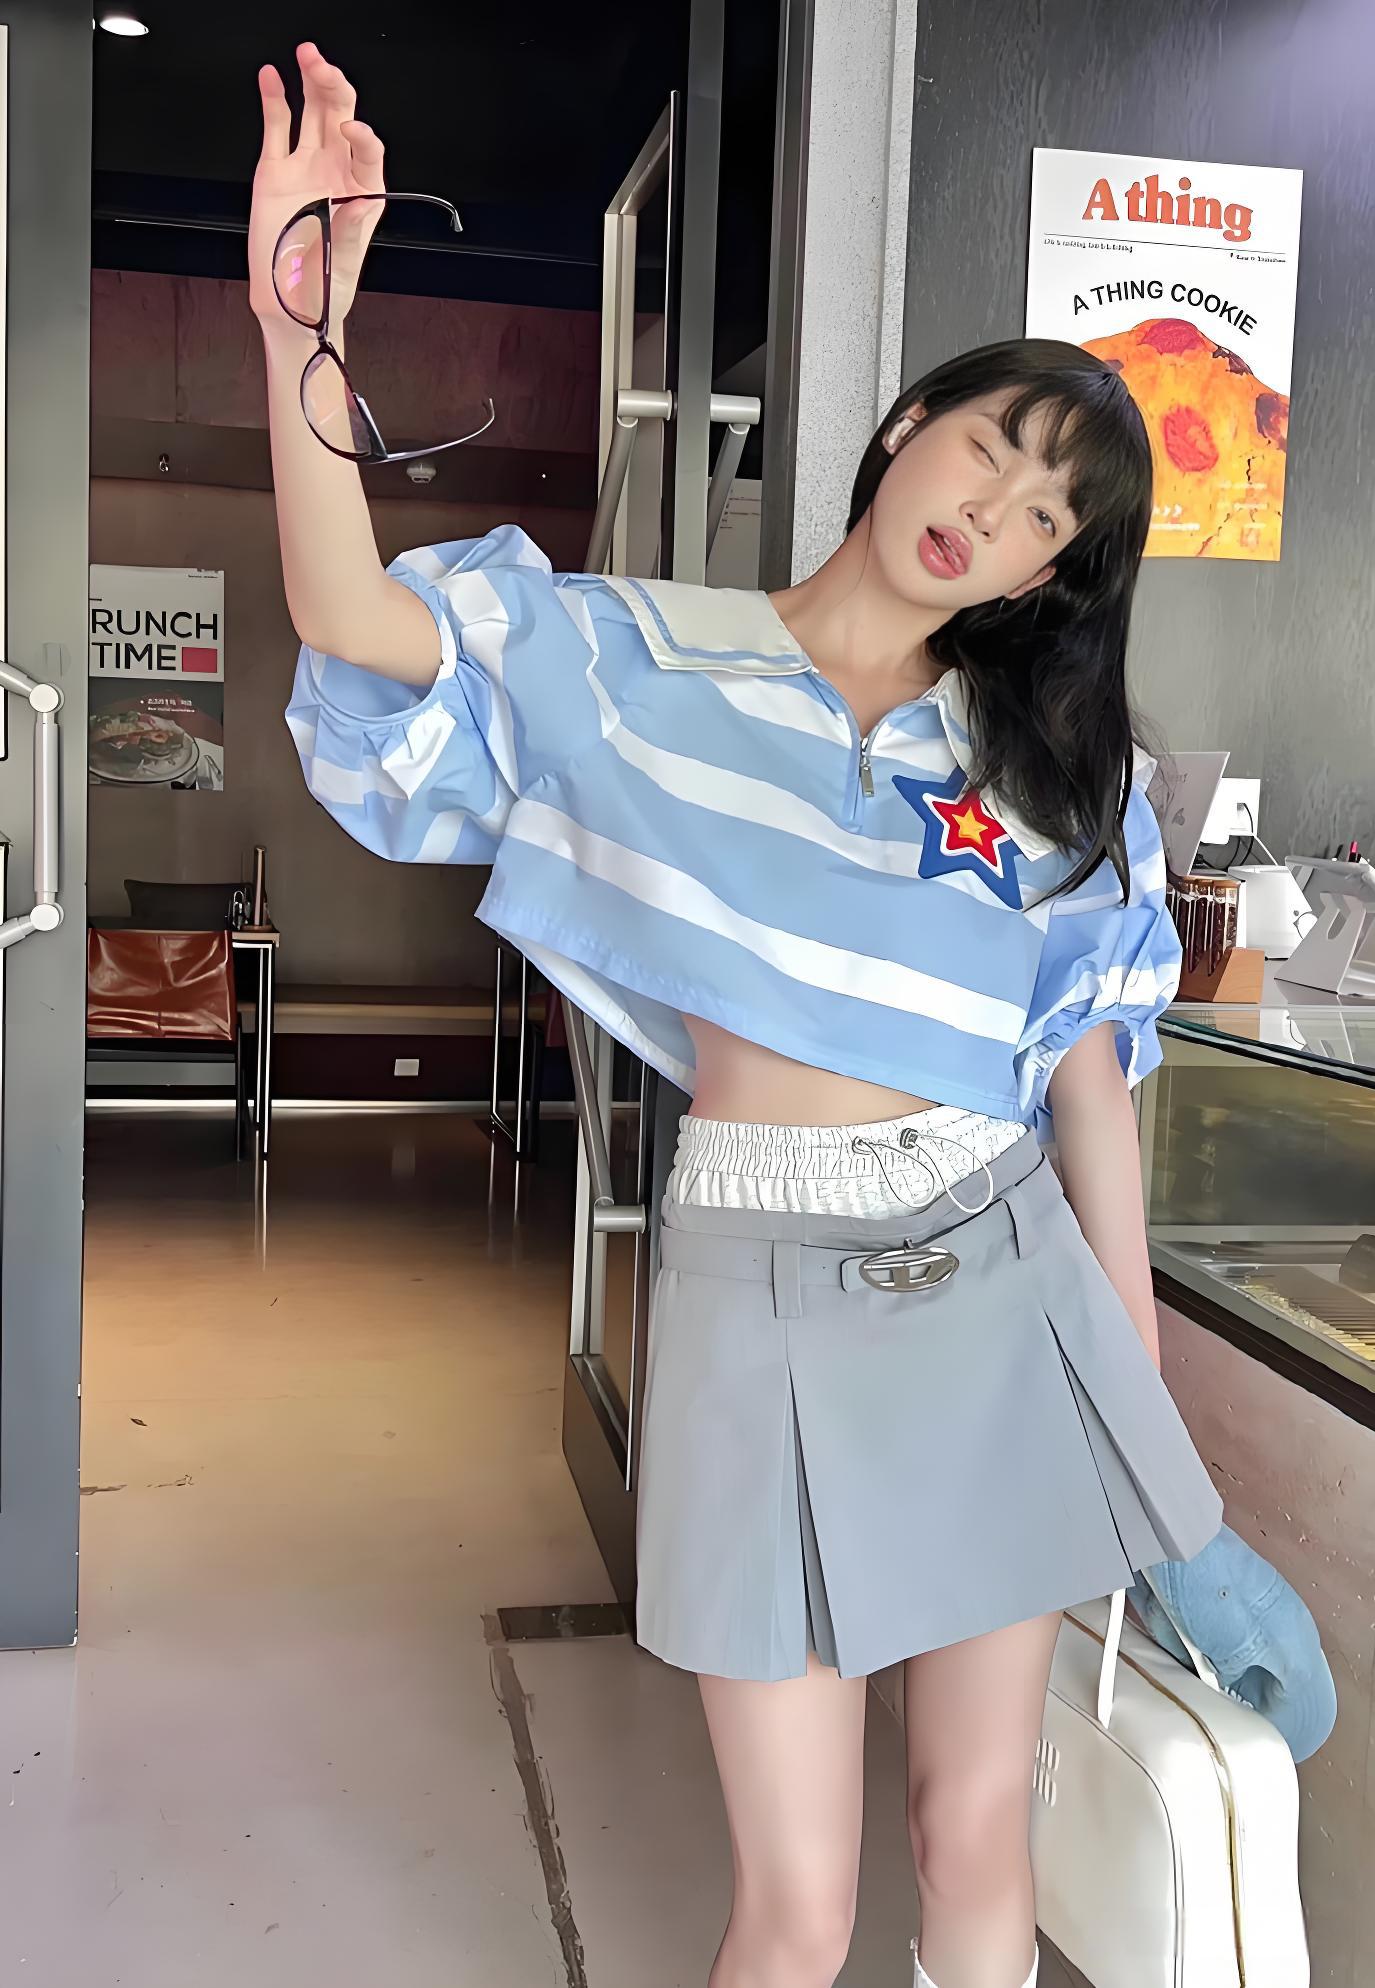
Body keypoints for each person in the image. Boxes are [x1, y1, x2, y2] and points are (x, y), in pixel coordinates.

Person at [252, 45, 1223, 1988]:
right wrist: (297, 321)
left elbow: (1087, 1065)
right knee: (794, 1905)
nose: (995, 513)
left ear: (1049, 574)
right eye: (992, 451)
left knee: (977, 1837)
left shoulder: (1044, 771)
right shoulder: (643, 659)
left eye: (1046, 518)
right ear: (910, 427)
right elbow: (359, 627)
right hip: (756, 1289)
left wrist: (1129, 1366)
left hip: (1001, 1276)